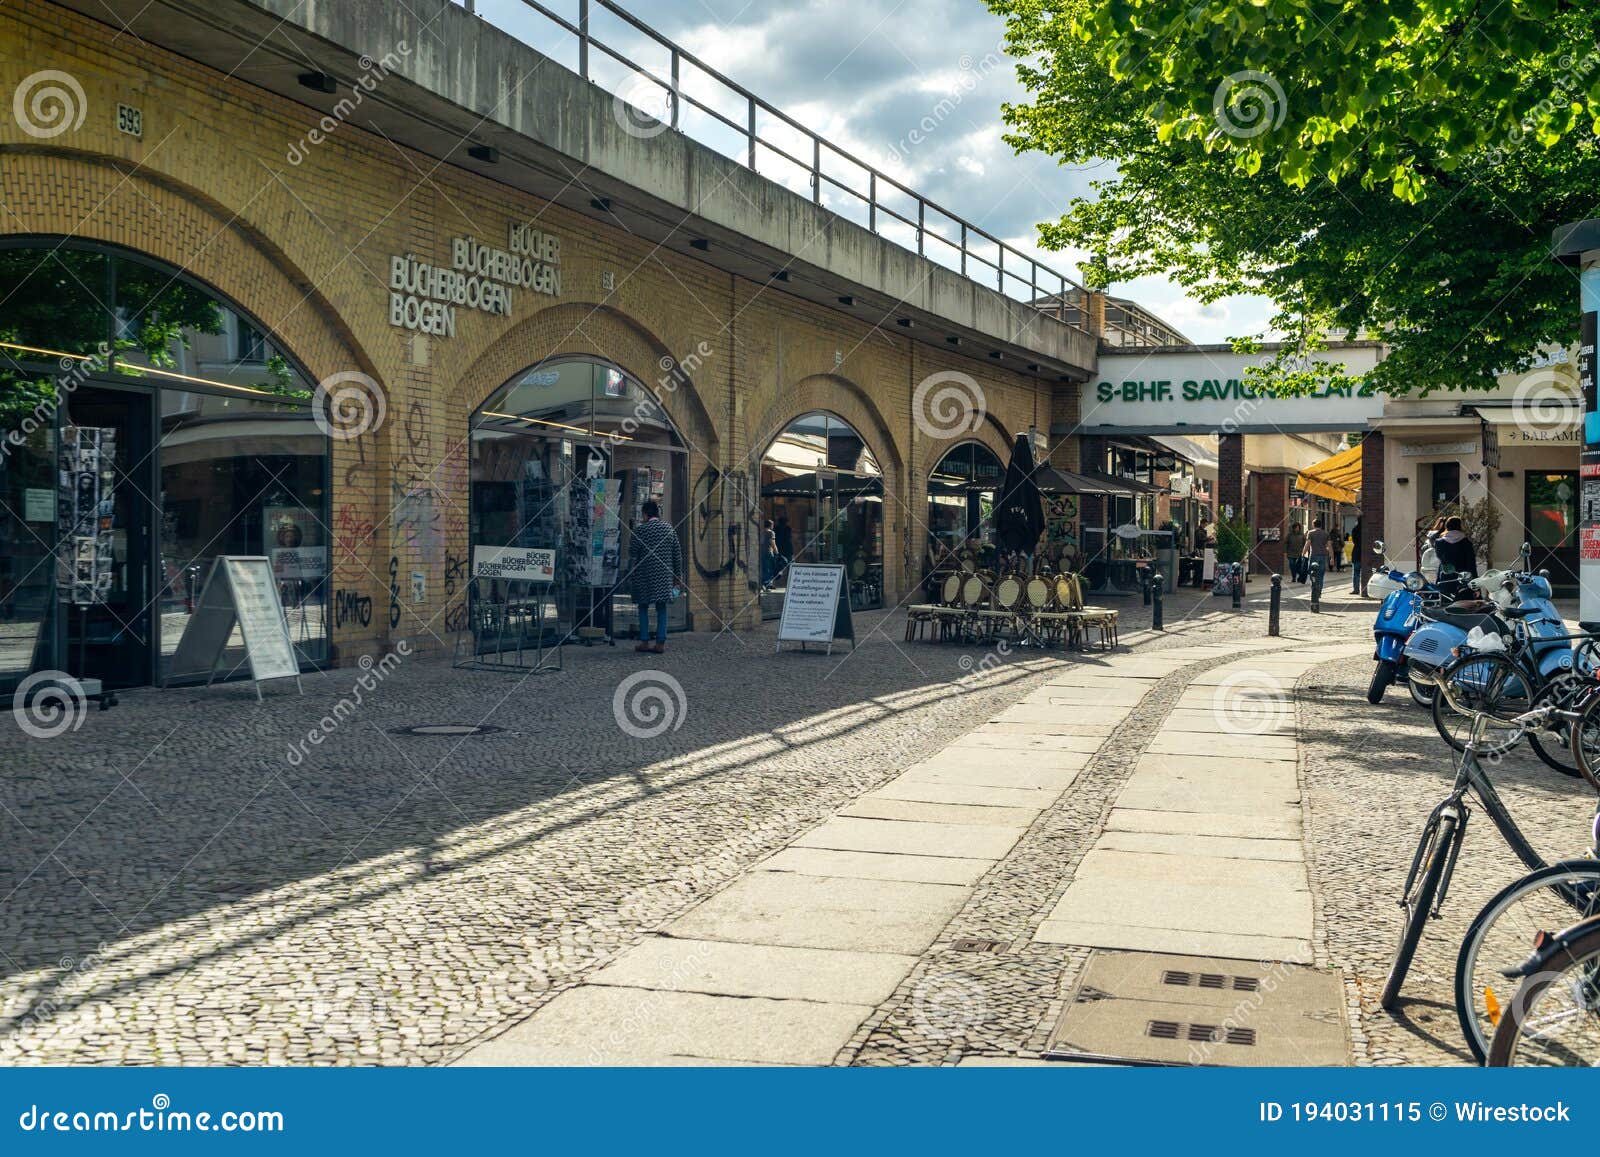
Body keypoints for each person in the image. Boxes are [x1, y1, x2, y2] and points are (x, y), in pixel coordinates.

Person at [629, 500, 683, 654]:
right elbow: (677, 555)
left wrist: (629, 574)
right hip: (664, 576)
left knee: (643, 607)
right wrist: (677, 576)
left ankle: (644, 641)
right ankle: (660, 643)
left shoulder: (640, 531)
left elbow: (632, 554)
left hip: (643, 576)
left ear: (645, 514)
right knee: (661, 608)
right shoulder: (669, 529)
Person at [1433, 515, 1477, 595]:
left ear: (1447, 526)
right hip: (1463, 578)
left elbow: (1440, 558)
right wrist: (1475, 583)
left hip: (1445, 578)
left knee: (1444, 602)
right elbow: (1471, 563)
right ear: (1460, 526)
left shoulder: (1439, 542)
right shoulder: (1466, 542)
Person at [1303, 516, 1332, 610]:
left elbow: (1307, 544)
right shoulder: (1326, 533)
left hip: (1314, 556)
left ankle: (1314, 591)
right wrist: (1332, 557)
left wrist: (1303, 554)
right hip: (1323, 556)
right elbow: (1329, 546)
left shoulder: (1310, 533)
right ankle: (1319, 591)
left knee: (1313, 575)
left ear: (1313, 525)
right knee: (1321, 575)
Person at [760, 519, 779, 588]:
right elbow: (773, 543)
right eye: (772, 525)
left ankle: (765, 583)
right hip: (769, 552)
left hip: (762, 552)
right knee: (770, 568)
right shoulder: (771, 533)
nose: (773, 526)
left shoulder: (761, 532)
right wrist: (776, 552)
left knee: (765, 568)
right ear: (770, 525)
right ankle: (768, 584)